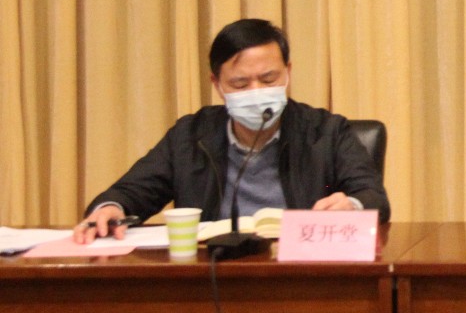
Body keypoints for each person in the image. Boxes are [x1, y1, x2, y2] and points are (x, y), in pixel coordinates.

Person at [73, 18, 390, 242]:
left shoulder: (326, 131)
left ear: (288, 73)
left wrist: (353, 205)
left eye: (269, 79)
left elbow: (373, 196)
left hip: (299, 269)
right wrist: (111, 207)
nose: (256, 92)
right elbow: (132, 191)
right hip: (211, 273)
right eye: (240, 83)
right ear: (218, 84)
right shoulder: (190, 136)